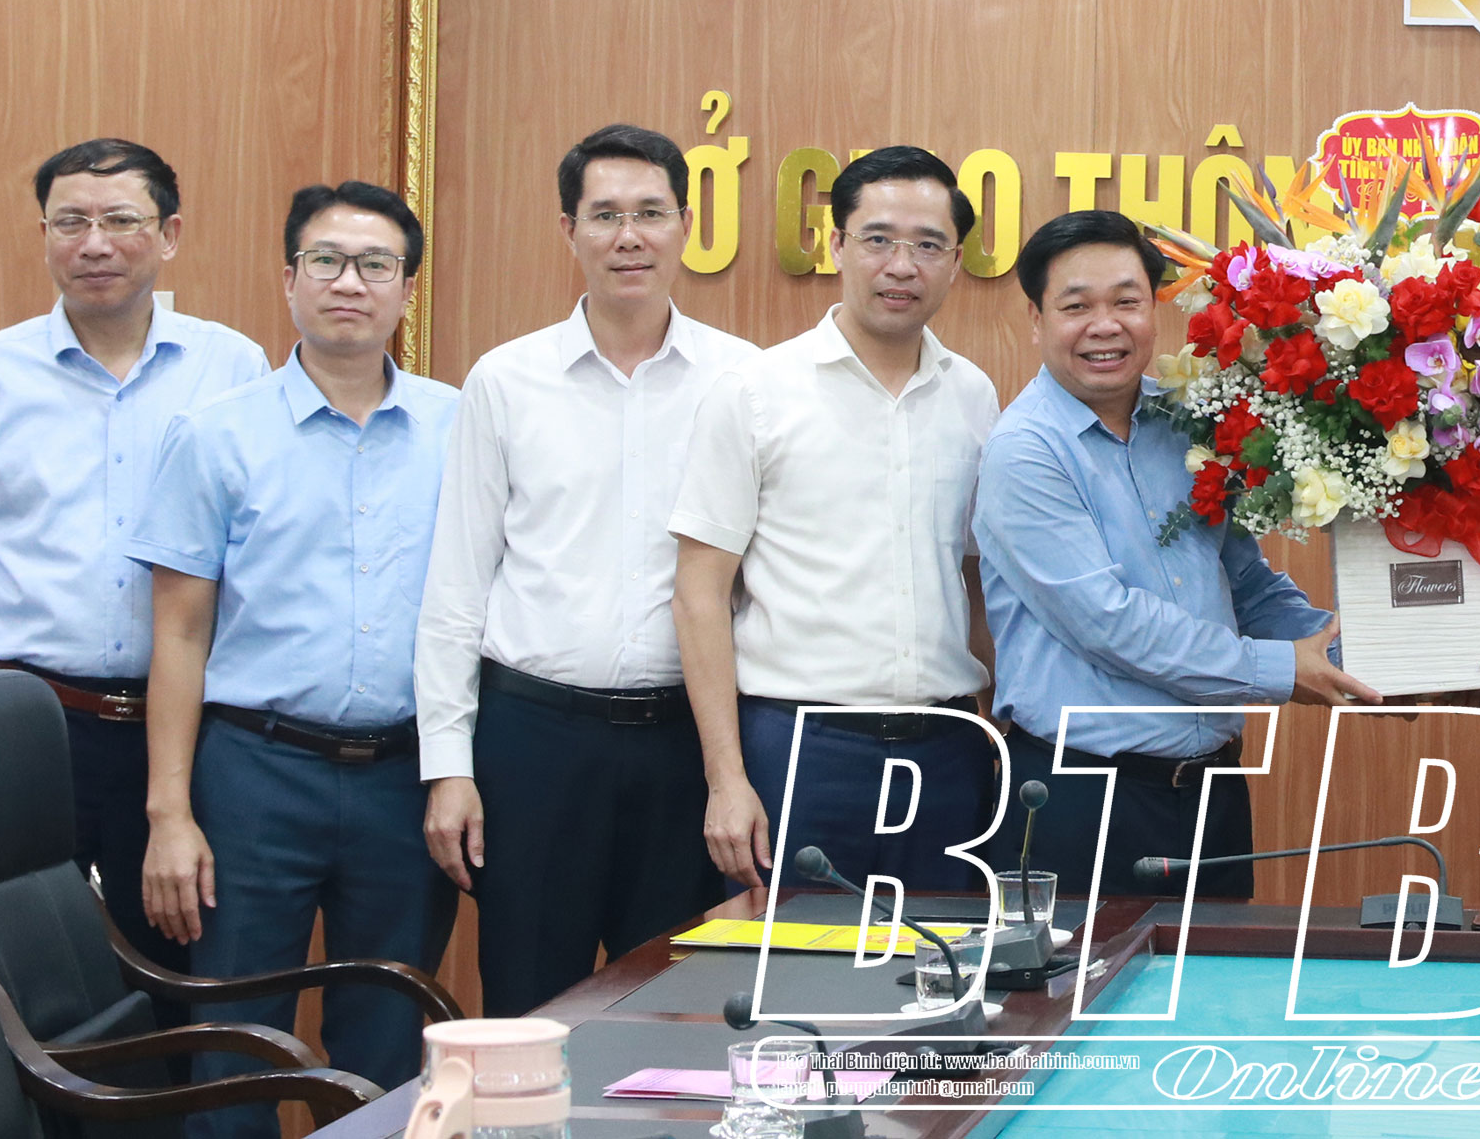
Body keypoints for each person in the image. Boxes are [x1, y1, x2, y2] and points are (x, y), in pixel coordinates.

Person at [0, 138, 268, 981]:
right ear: (45, 236)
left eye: (120, 220)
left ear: (169, 234)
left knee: (183, 967)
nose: (94, 244)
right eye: (71, 222)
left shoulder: (233, 368)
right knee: (19, 973)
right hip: (27, 720)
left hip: (189, 731)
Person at [131, 181, 457, 1137]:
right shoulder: (215, 433)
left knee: (388, 1043)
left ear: (407, 290)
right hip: (254, 775)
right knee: (235, 1040)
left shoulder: (459, 427)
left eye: (376, 265)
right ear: (289, 279)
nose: (350, 283)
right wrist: (169, 814)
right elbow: (178, 633)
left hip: (405, 777)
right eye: (327, 261)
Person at [414, 125, 756, 1016]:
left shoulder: (745, 380)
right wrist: (448, 764)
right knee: (531, 1005)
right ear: (569, 230)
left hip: (687, 743)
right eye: (604, 215)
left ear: (686, 225)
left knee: (676, 1011)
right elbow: (457, 585)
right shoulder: (505, 380)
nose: (628, 236)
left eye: (650, 213)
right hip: (535, 743)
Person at [973, 210, 1373, 900]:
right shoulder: (1025, 452)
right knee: (1081, 975)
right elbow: (1111, 624)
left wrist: (1360, 660)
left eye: (1126, 301)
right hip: (1081, 798)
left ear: (1153, 311)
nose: (1105, 325)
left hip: (1211, 795)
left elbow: (1244, 582)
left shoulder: (1186, 422)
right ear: (1037, 320)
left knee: (1214, 972)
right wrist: (1286, 671)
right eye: (1077, 306)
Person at [670, 145, 1001, 896]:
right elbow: (698, 593)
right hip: (800, 750)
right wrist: (726, 779)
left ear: (955, 263)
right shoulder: (755, 392)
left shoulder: (973, 395)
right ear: (837, 245)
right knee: (794, 962)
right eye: (878, 239)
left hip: (948, 752)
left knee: (942, 960)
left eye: (928, 245)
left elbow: (977, 577)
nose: (901, 265)